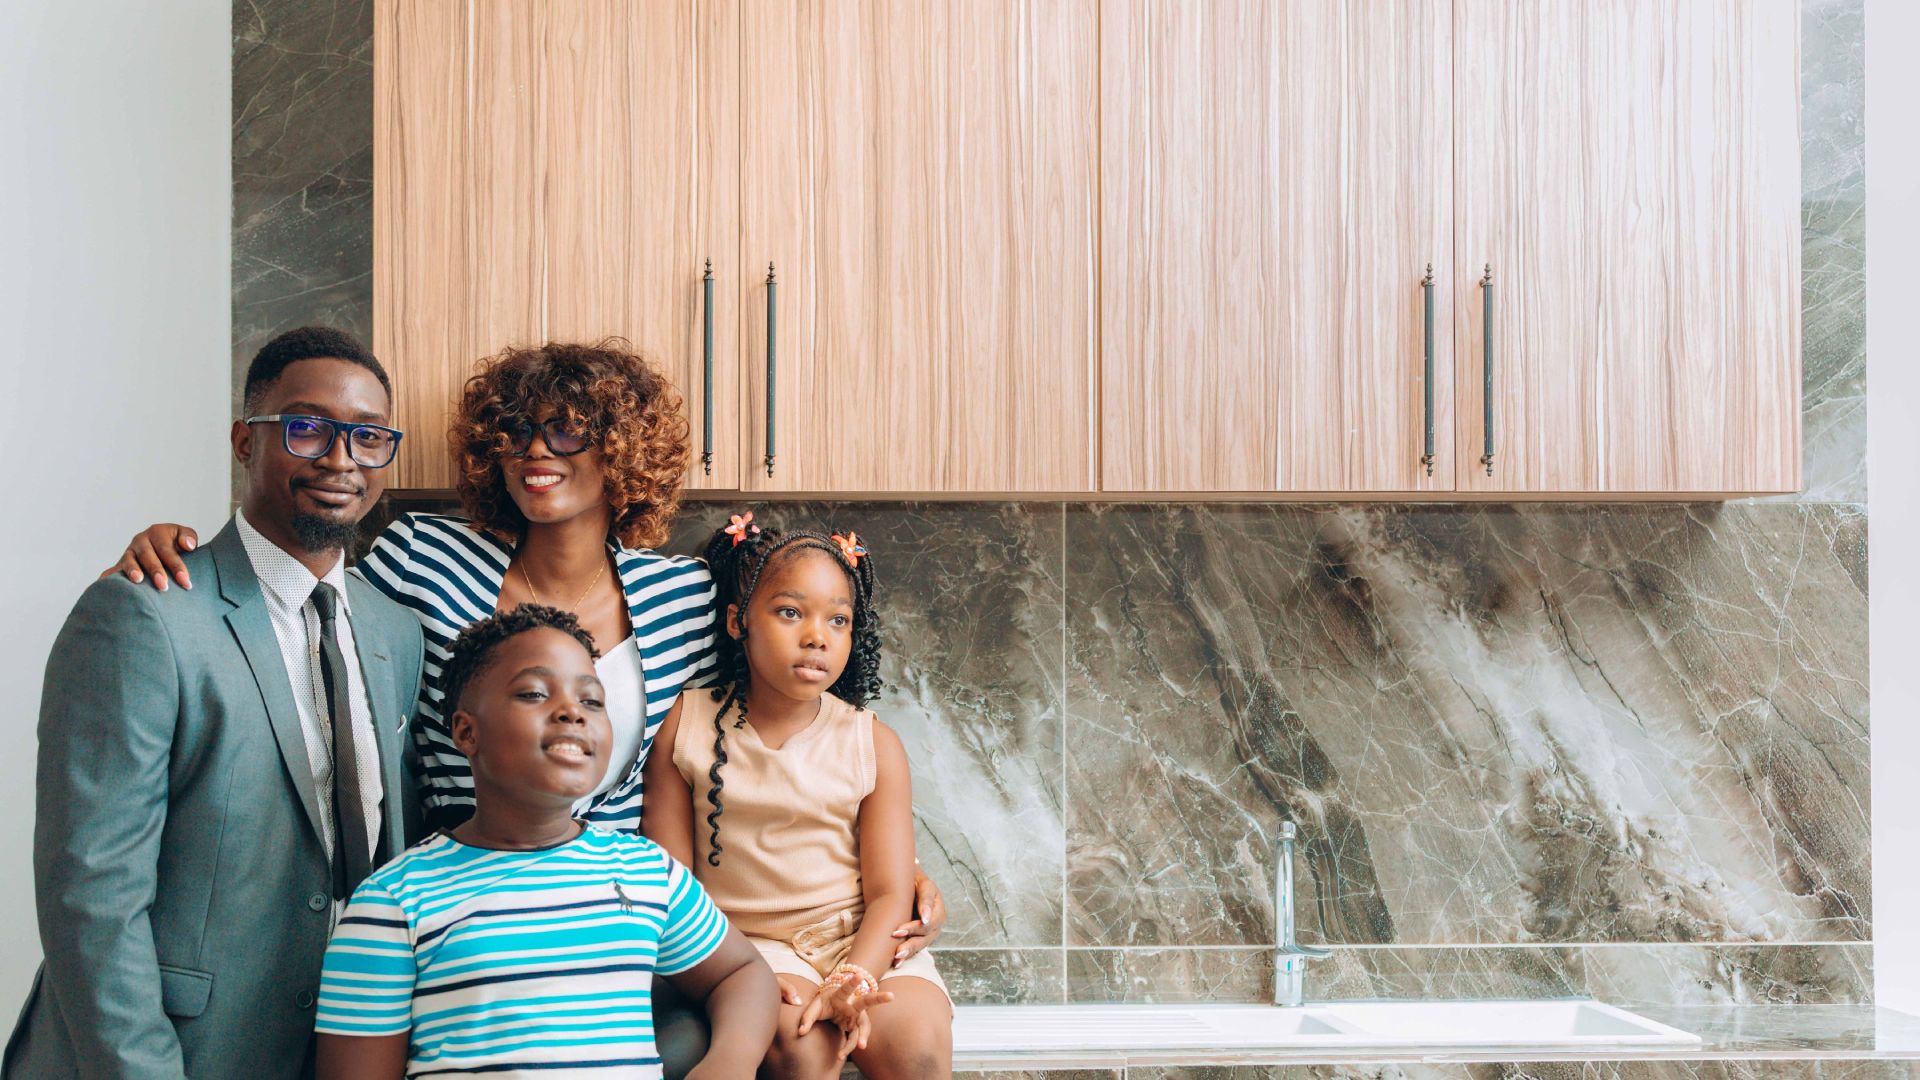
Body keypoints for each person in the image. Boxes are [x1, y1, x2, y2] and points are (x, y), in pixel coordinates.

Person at [102, 340, 948, 1074]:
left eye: (568, 429)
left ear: (619, 448)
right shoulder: (423, 557)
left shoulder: (686, 597)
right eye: (517, 430)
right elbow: (296, 610)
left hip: (626, 929)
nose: (537, 449)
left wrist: (882, 870)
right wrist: (186, 558)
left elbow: (779, 731)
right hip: (463, 921)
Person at [5, 327, 427, 1077]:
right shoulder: (145, 612)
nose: (341, 459)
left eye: (368, 437)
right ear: (244, 441)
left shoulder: (396, 630)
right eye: (307, 428)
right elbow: (91, 895)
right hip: (168, 1053)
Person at [315, 604, 775, 1079]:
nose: (572, 712)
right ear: (467, 732)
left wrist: (730, 1062)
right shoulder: (393, 902)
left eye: (592, 701)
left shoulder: (645, 872)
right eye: (534, 693)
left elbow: (743, 973)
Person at [642, 518, 952, 1080]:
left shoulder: (873, 743)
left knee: (918, 1049)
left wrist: (855, 976)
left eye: (838, 620)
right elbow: (672, 883)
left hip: (861, 940)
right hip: (748, 946)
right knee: (802, 1050)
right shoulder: (684, 727)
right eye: (790, 612)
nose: (817, 637)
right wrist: (731, 969)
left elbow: (890, 892)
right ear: (737, 621)